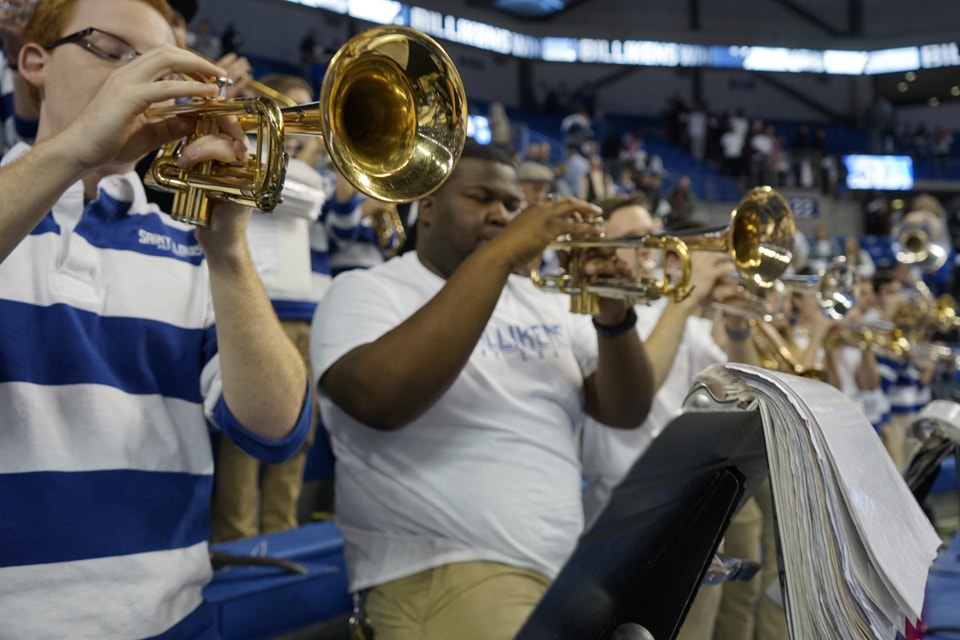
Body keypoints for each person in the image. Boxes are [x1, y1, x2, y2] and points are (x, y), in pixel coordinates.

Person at [0, 1, 311, 636]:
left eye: (157, 65)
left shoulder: (190, 246)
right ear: (33, 62)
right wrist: (74, 149)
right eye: (113, 51)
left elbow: (278, 430)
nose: (139, 83)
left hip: (175, 622)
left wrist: (228, 256)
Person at [310, 139, 655, 640]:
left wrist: (614, 316)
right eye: (482, 198)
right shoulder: (368, 290)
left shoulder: (541, 301)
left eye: (512, 205)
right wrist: (503, 253)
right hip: (441, 573)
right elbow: (378, 401)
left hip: (563, 566)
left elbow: (626, 410)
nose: (502, 215)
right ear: (426, 206)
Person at [579, 194, 763, 640]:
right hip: (620, 516)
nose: (648, 249)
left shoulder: (680, 319)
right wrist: (685, 301)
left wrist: (738, 327)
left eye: (652, 238)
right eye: (631, 239)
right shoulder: (588, 313)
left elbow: (749, 394)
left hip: (691, 508)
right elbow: (637, 392)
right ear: (596, 249)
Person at [210, 73, 326, 542]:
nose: (301, 123)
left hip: (303, 312)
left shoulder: (292, 162)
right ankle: (237, 540)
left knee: (300, 432)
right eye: (292, 110)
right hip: (260, 307)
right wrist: (307, 154)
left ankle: (281, 532)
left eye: (304, 112)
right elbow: (308, 197)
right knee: (245, 440)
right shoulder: (246, 154)